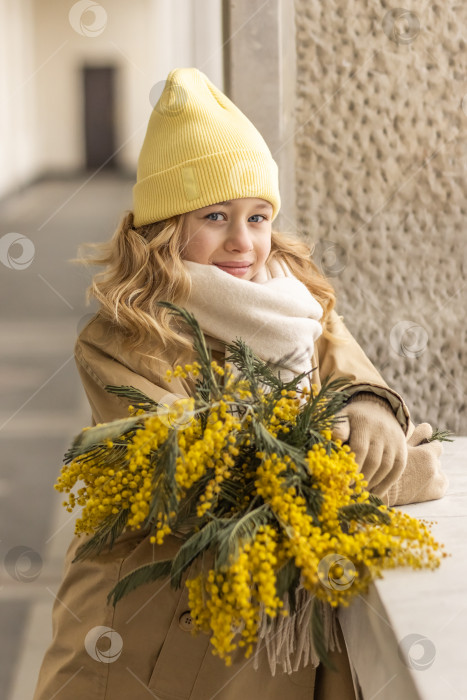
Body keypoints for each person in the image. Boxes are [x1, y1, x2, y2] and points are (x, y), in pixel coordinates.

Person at [33, 67, 448, 700]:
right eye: (216, 216)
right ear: (167, 226)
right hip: (156, 627)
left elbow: (354, 378)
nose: (242, 242)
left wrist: (371, 413)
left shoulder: (297, 303)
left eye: (258, 217)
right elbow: (209, 474)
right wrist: (402, 473)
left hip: (281, 629)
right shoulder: (124, 338)